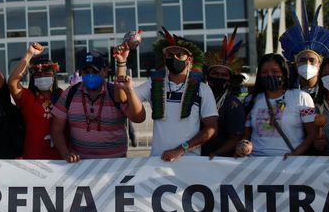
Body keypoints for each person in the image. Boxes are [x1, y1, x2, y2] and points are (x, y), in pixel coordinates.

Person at [129, 28, 217, 161]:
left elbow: (211, 127)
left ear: (189, 59)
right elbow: (125, 98)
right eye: (170, 54)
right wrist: (122, 64)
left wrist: (180, 150)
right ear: (164, 58)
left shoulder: (202, 89)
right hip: (157, 161)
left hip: (191, 162)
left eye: (179, 54)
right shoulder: (153, 84)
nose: (174, 58)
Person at [51, 51, 145, 162]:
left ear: (105, 72)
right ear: (81, 73)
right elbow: (56, 129)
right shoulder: (70, 93)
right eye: (86, 72)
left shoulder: (115, 93)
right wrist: (65, 153)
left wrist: (129, 90)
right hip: (79, 166)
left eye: (95, 71)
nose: (91, 75)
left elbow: (139, 118)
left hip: (114, 165)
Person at [236, 53, 317, 158]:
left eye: (275, 71)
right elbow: (247, 135)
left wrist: (295, 154)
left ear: (284, 73)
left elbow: (313, 134)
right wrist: (242, 146)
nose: (269, 75)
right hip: (255, 162)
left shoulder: (301, 97)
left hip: (289, 162)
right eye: (264, 72)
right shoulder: (251, 99)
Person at [7, 42, 63, 160]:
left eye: (47, 73)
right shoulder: (28, 97)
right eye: (38, 74)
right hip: (33, 160)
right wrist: (29, 54)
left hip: (61, 160)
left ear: (54, 76)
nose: (43, 76)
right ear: (33, 78)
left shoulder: (62, 95)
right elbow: (12, 82)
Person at [279, 3, 329, 99]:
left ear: (320, 64)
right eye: (302, 60)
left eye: (312, 60)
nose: (307, 64)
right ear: (295, 64)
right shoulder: (285, 92)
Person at [201, 29, 246, 158]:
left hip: (219, 160)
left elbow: (235, 138)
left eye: (223, 75)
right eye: (215, 74)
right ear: (208, 76)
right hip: (194, 155)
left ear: (230, 79)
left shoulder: (233, 104)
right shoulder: (197, 97)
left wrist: (215, 154)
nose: (219, 77)